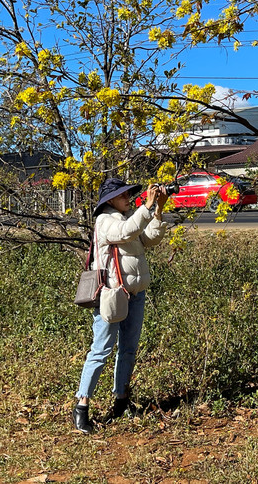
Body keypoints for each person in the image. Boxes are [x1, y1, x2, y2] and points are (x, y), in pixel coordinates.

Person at [72, 177, 169, 434]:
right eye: (124, 195)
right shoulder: (105, 221)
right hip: (111, 295)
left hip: (135, 294)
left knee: (128, 349)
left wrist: (158, 210)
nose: (129, 197)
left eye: (129, 194)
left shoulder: (127, 219)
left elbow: (150, 239)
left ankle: (121, 400)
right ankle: (82, 406)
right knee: (101, 351)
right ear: (110, 199)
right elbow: (125, 233)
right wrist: (147, 206)